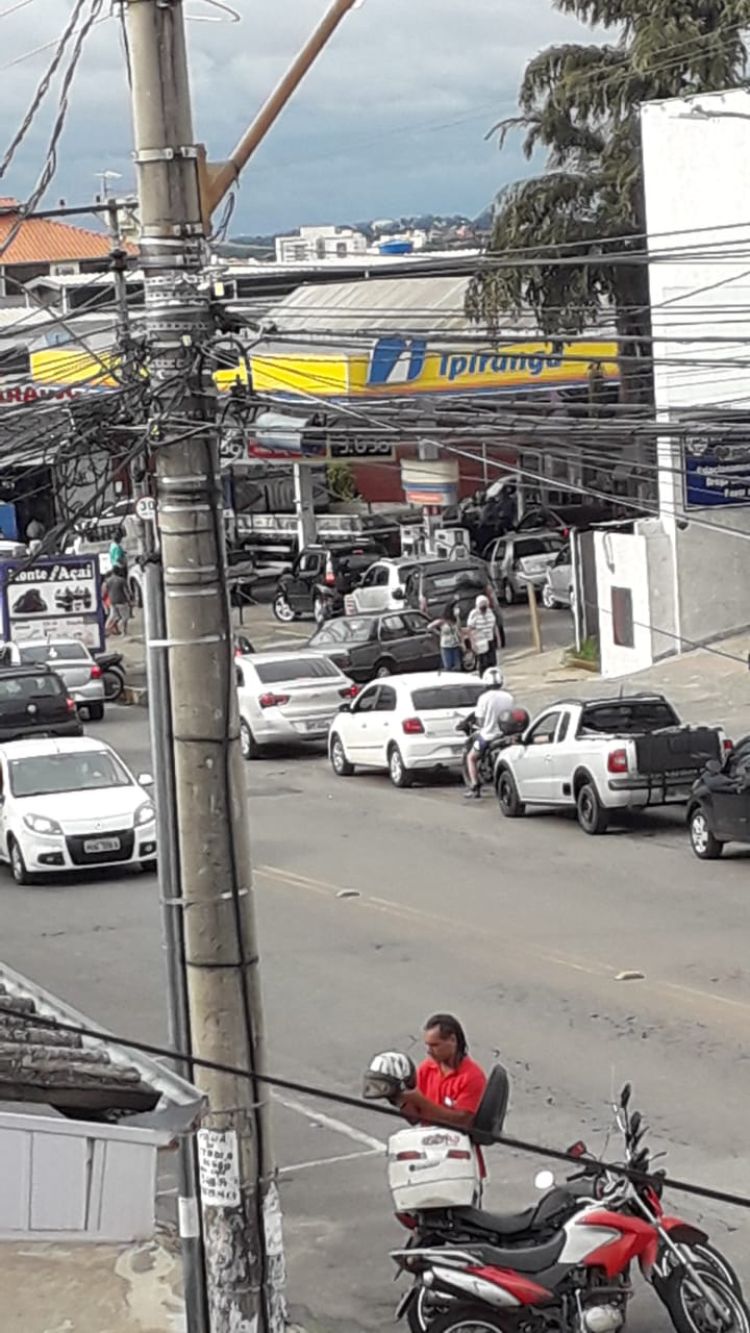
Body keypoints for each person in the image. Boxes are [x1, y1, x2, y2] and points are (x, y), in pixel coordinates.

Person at [398, 1013, 487, 1132]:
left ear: (452, 1040)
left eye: (435, 1045)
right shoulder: (426, 1069)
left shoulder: (473, 1077)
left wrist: (420, 1101)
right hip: (426, 1139)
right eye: (428, 1045)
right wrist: (399, 1099)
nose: (429, 1051)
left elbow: (462, 1122)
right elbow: (415, 1118)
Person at [464, 665, 514, 800]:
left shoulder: (483, 698)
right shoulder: (508, 697)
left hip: (487, 737)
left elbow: (480, 721)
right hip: (505, 735)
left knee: (471, 757)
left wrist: (478, 725)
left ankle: (474, 786)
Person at [467, 593, 504, 674]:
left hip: (490, 639)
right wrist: (473, 643)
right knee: (483, 662)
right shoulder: (474, 614)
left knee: (492, 661)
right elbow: (470, 629)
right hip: (480, 642)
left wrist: (498, 639)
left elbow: (494, 626)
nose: (483, 607)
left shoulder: (490, 612)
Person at [429, 599, 462, 671]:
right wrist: (439, 633)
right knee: (448, 666)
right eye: (455, 608)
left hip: (455, 645)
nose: (457, 609)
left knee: (457, 666)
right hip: (446, 646)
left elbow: (459, 628)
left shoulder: (455, 620)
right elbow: (430, 627)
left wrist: (457, 617)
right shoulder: (442, 621)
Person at [106, 564, 132, 637]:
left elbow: (106, 590)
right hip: (121, 601)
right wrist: (129, 600)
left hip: (112, 601)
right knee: (125, 617)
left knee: (113, 616)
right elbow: (126, 591)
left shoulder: (108, 580)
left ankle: (107, 629)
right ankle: (124, 632)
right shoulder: (121, 580)